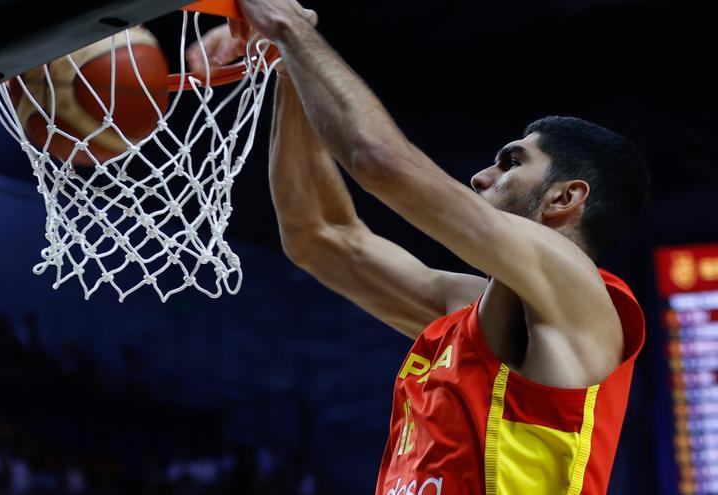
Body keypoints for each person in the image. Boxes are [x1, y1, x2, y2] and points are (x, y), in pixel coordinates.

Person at [189, 2, 649, 493]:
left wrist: (288, 25)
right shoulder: (467, 310)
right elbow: (318, 236)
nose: (480, 176)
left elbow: (380, 162)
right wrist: (287, 67)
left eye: (511, 162)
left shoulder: (579, 291)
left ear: (564, 197)